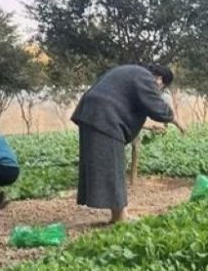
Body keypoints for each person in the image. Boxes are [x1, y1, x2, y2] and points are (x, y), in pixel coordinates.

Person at [72, 63, 187, 224]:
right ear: (160, 80)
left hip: (93, 114)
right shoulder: (145, 77)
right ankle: (120, 217)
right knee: (113, 165)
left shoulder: (132, 73)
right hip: (103, 116)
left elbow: (121, 104)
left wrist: (148, 125)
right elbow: (155, 105)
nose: (159, 91)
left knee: (110, 164)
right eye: (161, 88)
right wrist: (177, 121)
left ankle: (120, 214)